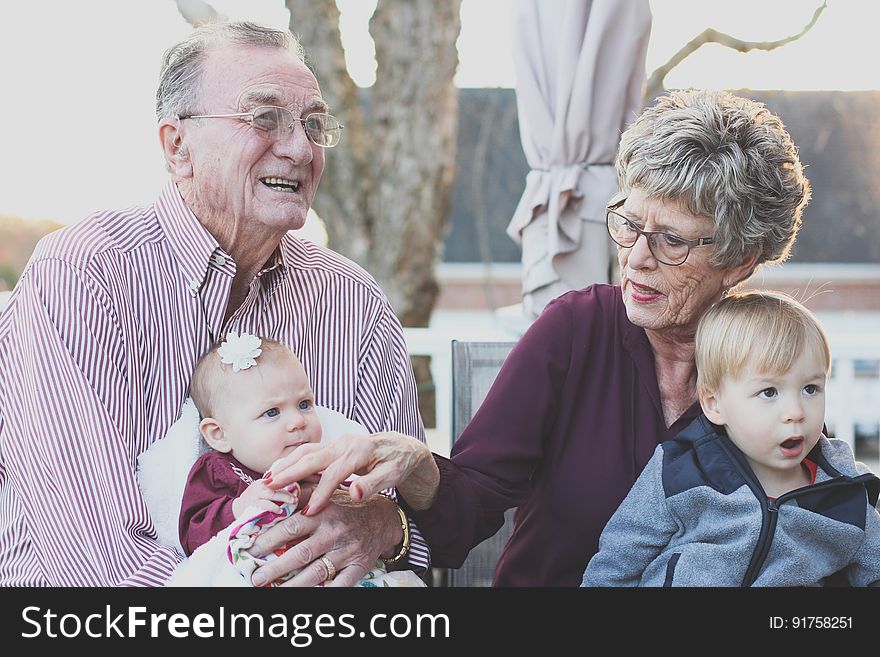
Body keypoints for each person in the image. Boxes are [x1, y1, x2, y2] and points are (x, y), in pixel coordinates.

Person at [263, 89, 814, 586]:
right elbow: (466, 512)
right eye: (628, 223)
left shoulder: (777, 364)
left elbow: (812, 527)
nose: (636, 258)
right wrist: (419, 464)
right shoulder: (576, 331)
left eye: (671, 240)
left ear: (739, 261)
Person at [0, 21, 429, 586]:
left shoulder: (353, 299)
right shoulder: (85, 274)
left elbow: (417, 533)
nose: (300, 148)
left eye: (313, 124)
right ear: (178, 146)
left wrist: (384, 523)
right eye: (264, 118)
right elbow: (95, 562)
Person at [582, 291, 880, 586]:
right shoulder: (681, 471)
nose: (795, 412)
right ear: (714, 404)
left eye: (811, 389)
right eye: (769, 392)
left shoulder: (847, 493)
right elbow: (616, 564)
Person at [179, 333, 319, 556]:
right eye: (272, 412)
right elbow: (192, 535)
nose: (298, 421)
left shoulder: (322, 463)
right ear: (219, 434)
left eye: (304, 404)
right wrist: (238, 508)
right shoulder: (219, 471)